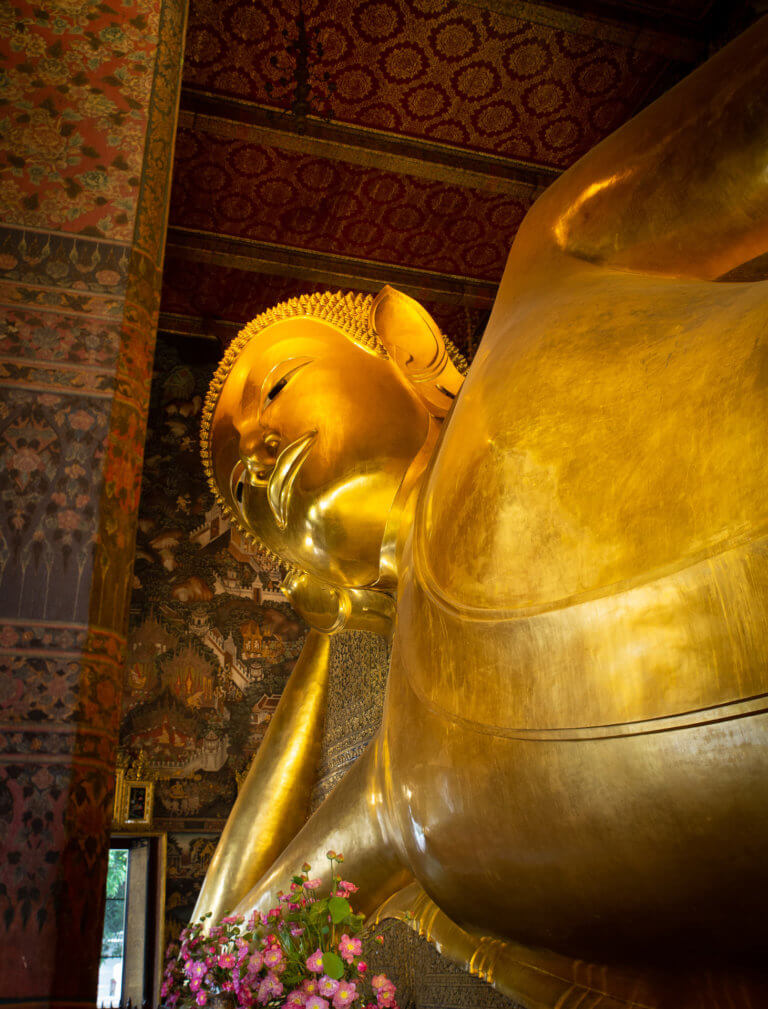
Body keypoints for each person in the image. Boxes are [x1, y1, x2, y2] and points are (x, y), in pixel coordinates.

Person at [198, 18, 768, 1008]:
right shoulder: (403, 777)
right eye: (244, 494)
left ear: (406, 346)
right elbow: (220, 946)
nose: (255, 446)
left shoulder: (547, 274)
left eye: (278, 384)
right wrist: (336, 628)